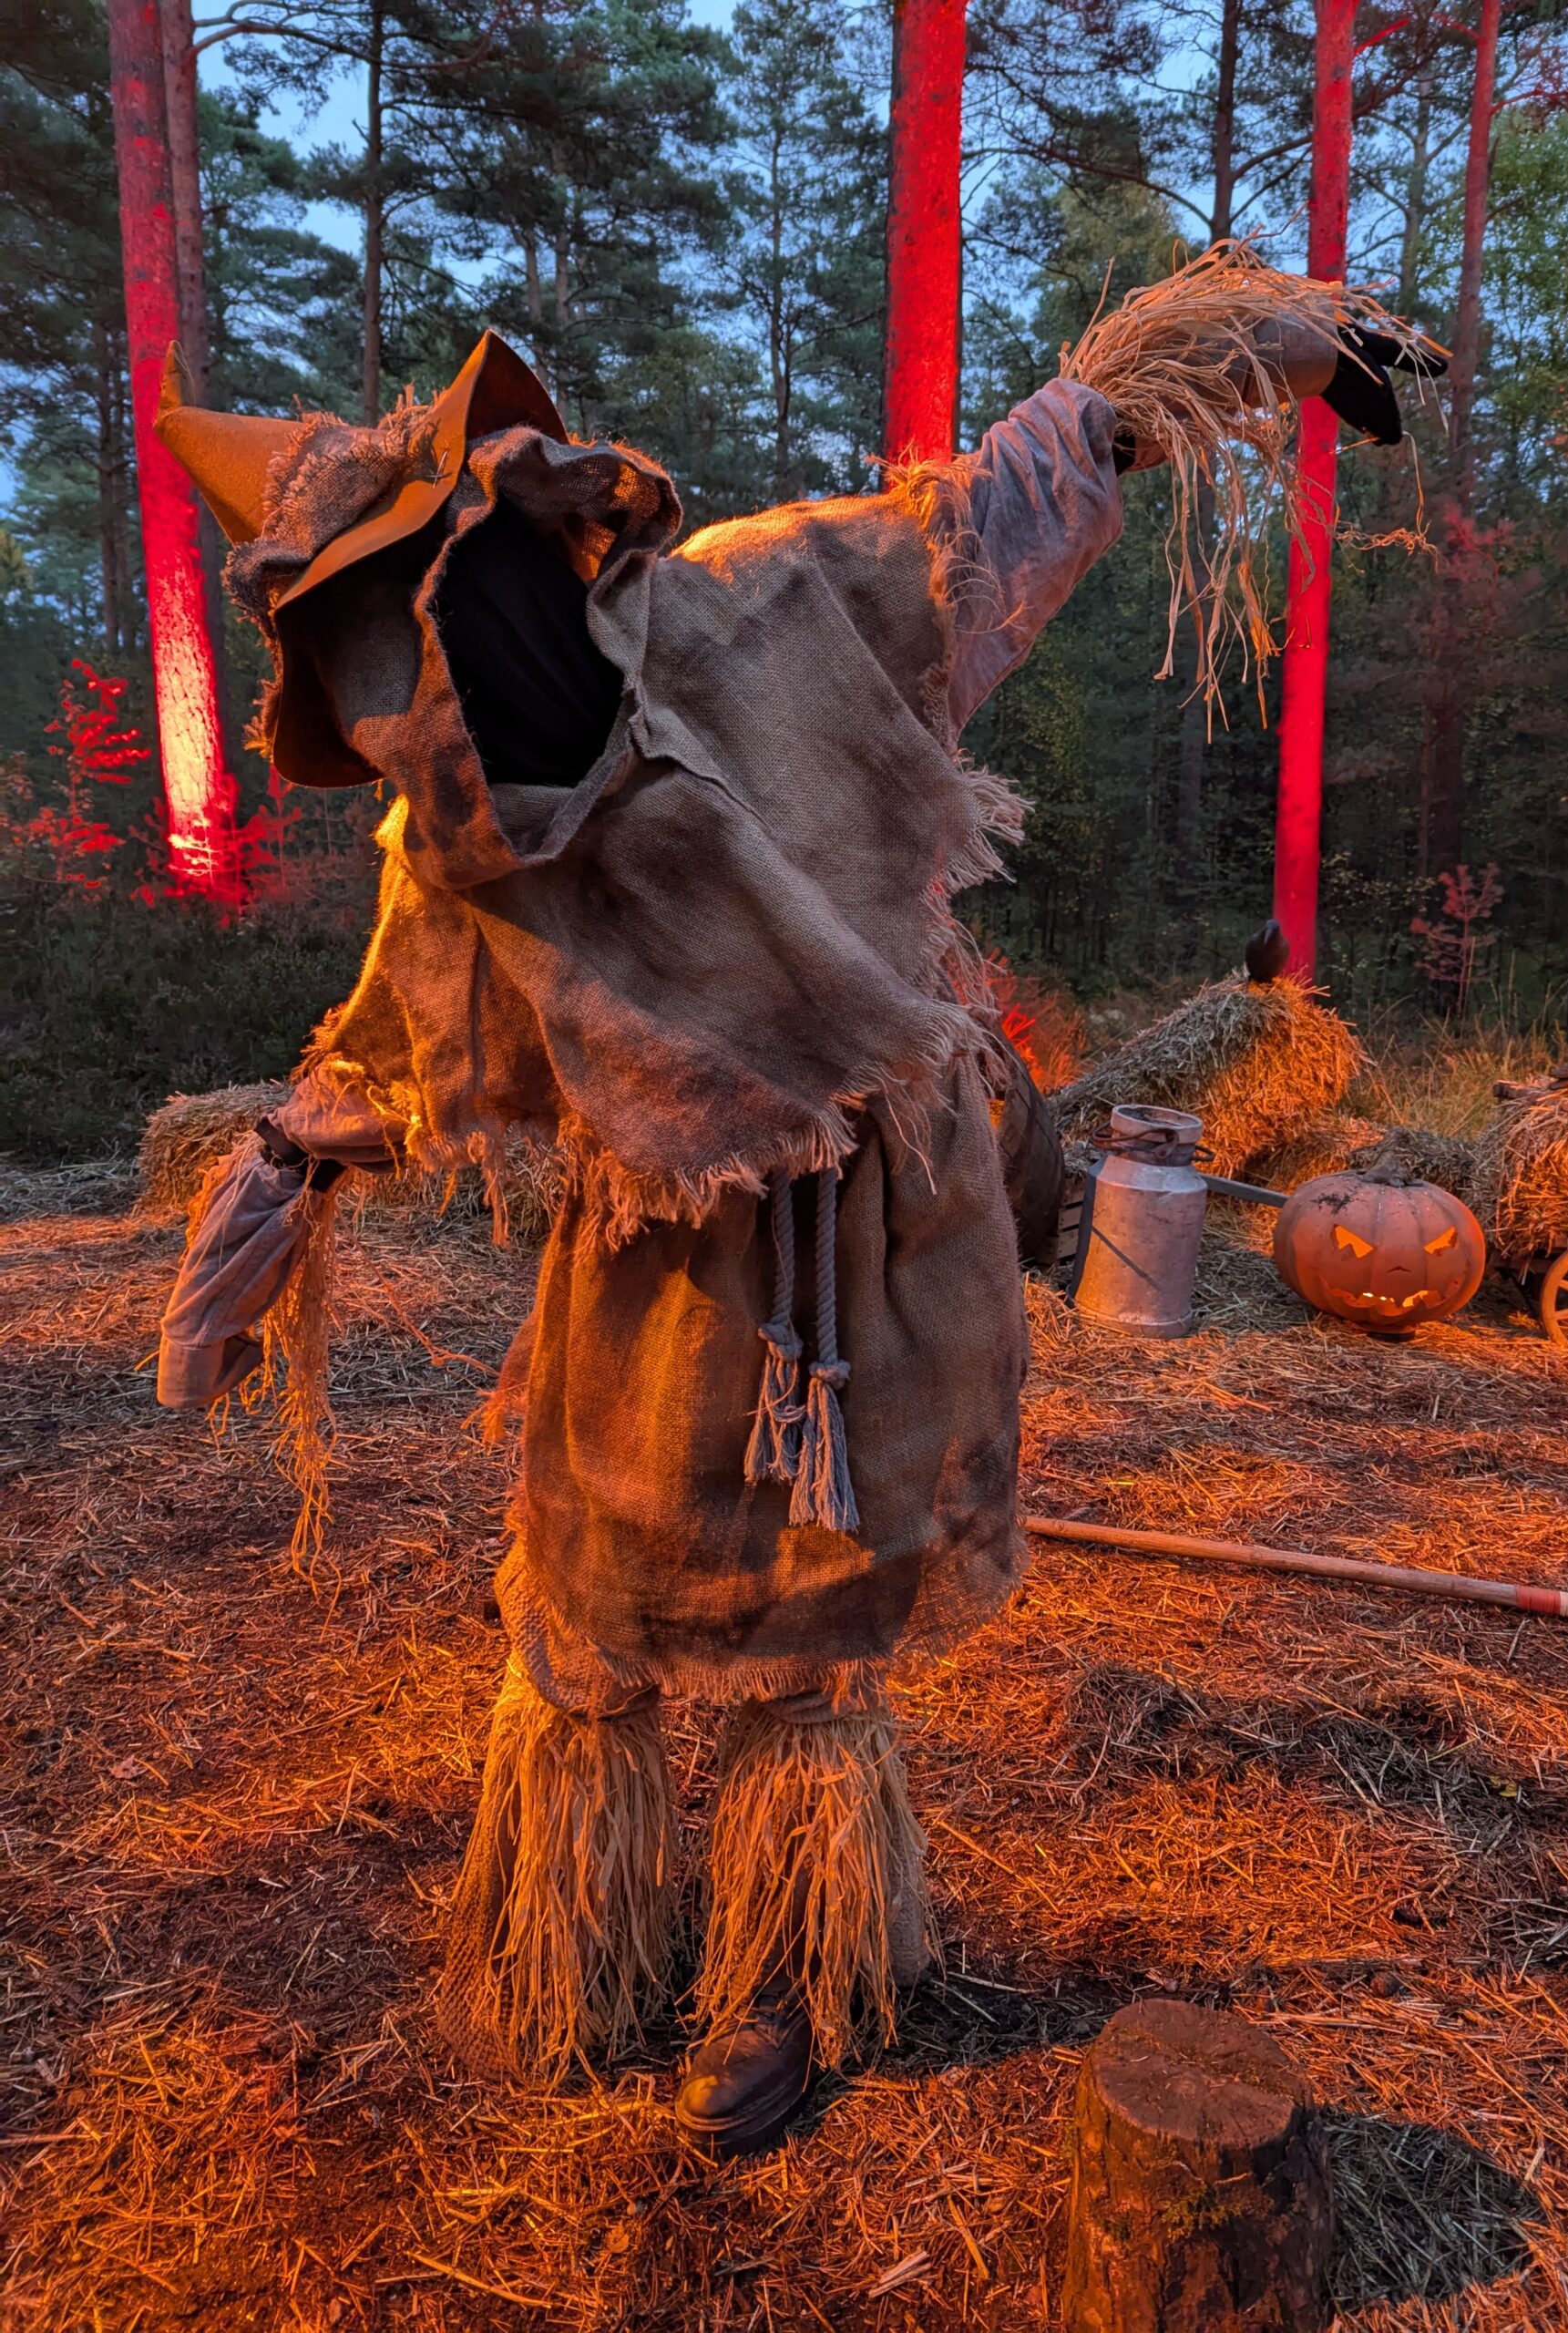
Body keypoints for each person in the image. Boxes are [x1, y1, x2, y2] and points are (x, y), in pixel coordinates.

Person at [154, 250, 1433, 2154]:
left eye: (431, 630)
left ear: (522, 546)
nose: (431, 702)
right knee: (589, 1595)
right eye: (376, 676)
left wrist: (1256, 345)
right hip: (649, 1228)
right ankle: (573, 1937)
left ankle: (788, 1960)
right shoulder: (451, 831)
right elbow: (395, 1030)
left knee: (816, 1608)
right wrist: (263, 1204)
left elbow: (1014, 488)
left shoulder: (774, 607)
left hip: (870, 1203)